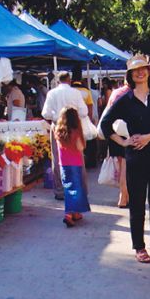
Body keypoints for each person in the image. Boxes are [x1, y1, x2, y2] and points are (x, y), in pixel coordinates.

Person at [100, 55, 150, 264]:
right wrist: (123, 142)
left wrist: (147, 137)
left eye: (143, 69)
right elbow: (105, 125)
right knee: (137, 204)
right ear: (130, 75)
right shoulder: (125, 100)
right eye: (135, 70)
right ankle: (139, 247)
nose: (140, 73)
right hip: (136, 159)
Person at [41, 71, 89, 201]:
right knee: (78, 158)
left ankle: (60, 190)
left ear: (58, 80)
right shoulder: (76, 93)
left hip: (58, 127)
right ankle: (80, 189)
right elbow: (84, 112)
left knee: (58, 159)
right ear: (69, 80)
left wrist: (58, 117)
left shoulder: (52, 93)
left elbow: (45, 113)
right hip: (74, 127)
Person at [55, 106, 91, 227]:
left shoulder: (58, 131)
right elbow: (80, 147)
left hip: (63, 164)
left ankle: (75, 213)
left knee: (68, 188)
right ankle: (69, 214)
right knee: (77, 189)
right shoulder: (75, 131)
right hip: (75, 163)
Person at [105, 81, 131, 208]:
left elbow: (108, 112)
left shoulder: (116, 93)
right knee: (127, 166)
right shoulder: (135, 93)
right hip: (129, 132)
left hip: (115, 131)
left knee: (121, 165)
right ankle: (124, 195)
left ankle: (123, 195)